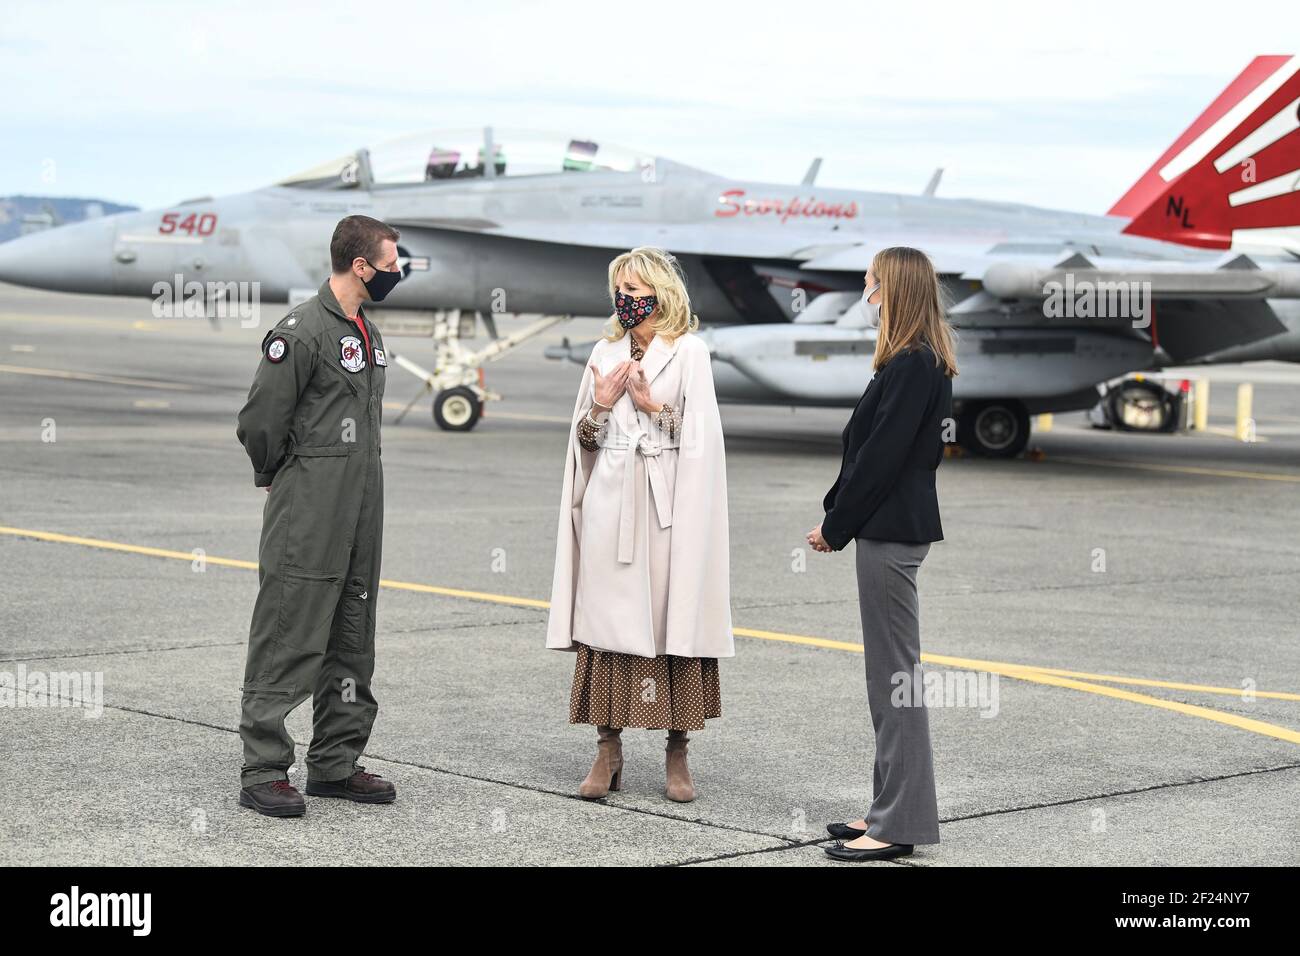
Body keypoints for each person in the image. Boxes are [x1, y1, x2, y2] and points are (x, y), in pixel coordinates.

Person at [546, 246, 734, 803]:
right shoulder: (603, 352)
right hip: (610, 498)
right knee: (609, 623)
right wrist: (600, 407)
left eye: (635, 290)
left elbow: (703, 439)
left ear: (660, 293)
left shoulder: (690, 353)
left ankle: (677, 751)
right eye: (619, 290)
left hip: (667, 504)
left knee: (670, 616)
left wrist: (654, 409)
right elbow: (583, 441)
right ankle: (608, 749)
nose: (625, 299)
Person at [234, 215, 403, 817]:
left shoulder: (368, 332)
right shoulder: (302, 331)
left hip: (362, 501)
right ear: (361, 266)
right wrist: (281, 475)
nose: (397, 271)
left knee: (351, 632)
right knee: (290, 628)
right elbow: (260, 420)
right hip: (310, 502)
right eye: (390, 262)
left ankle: (334, 763)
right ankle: (263, 768)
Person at [807, 246, 958, 861]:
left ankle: (897, 825)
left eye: (870, 284)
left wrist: (836, 525)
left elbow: (880, 458)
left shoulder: (912, 364)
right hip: (890, 529)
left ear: (891, 290)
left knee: (896, 680)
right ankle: (888, 810)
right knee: (889, 679)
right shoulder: (911, 360)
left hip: (890, 532)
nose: (863, 294)